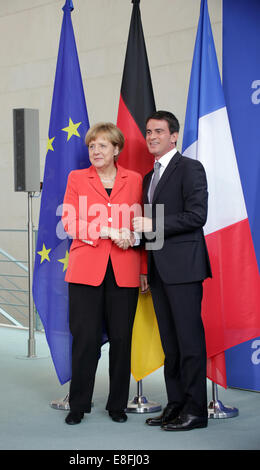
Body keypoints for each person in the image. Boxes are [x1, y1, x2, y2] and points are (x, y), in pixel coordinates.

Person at [62, 122, 145, 425]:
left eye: (102, 146)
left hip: (125, 271)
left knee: (122, 340)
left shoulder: (135, 180)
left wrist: (132, 238)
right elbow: (70, 224)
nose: (95, 151)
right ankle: (79, 403)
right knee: (85, 340)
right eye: (91, 146)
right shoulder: (76, 178)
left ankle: (117, 405)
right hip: (85, 272)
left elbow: (145, 224)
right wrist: (110, 230)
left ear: (117, 149)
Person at [133, 110, 212, 431]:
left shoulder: (190, 168)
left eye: (159, 131)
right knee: (171, 345)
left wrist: (153, 224)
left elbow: (197, 216)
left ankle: (196, 411)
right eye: (148, 132)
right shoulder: (149, 178)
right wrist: (143, 264)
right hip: (159, 271)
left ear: (174, 136)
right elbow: (148, 229)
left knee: (190, 343)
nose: (152, 137)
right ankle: (176, 404)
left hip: (184, 269)